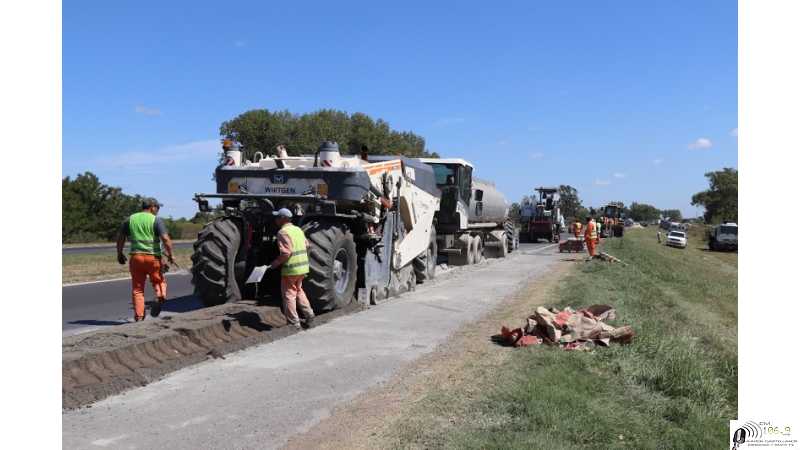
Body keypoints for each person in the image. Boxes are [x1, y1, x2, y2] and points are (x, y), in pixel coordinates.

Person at [116, 198, 174, 321]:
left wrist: (119, 253)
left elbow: (121, 238)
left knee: (137, 289)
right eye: (158, 207)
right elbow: (166, 239)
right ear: (152, 207)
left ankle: (139, 317)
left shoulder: (130, 219)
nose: (158, 210)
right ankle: (159, 297)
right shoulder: (156, 220)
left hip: (136, 259)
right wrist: (170, 255)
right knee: (159, 282)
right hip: (153, 259)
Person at [269, 208, 315, 330]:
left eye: (278, 217)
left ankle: (293, 322)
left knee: (289, 295)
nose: (276, 220)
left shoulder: (282, 232)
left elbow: (286, 253)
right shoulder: (298, 230)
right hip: (302, 268)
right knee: (299, 291)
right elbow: (307, 245)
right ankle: (309, 314)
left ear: (283, 219)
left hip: (291, 269)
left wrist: (274, 264)